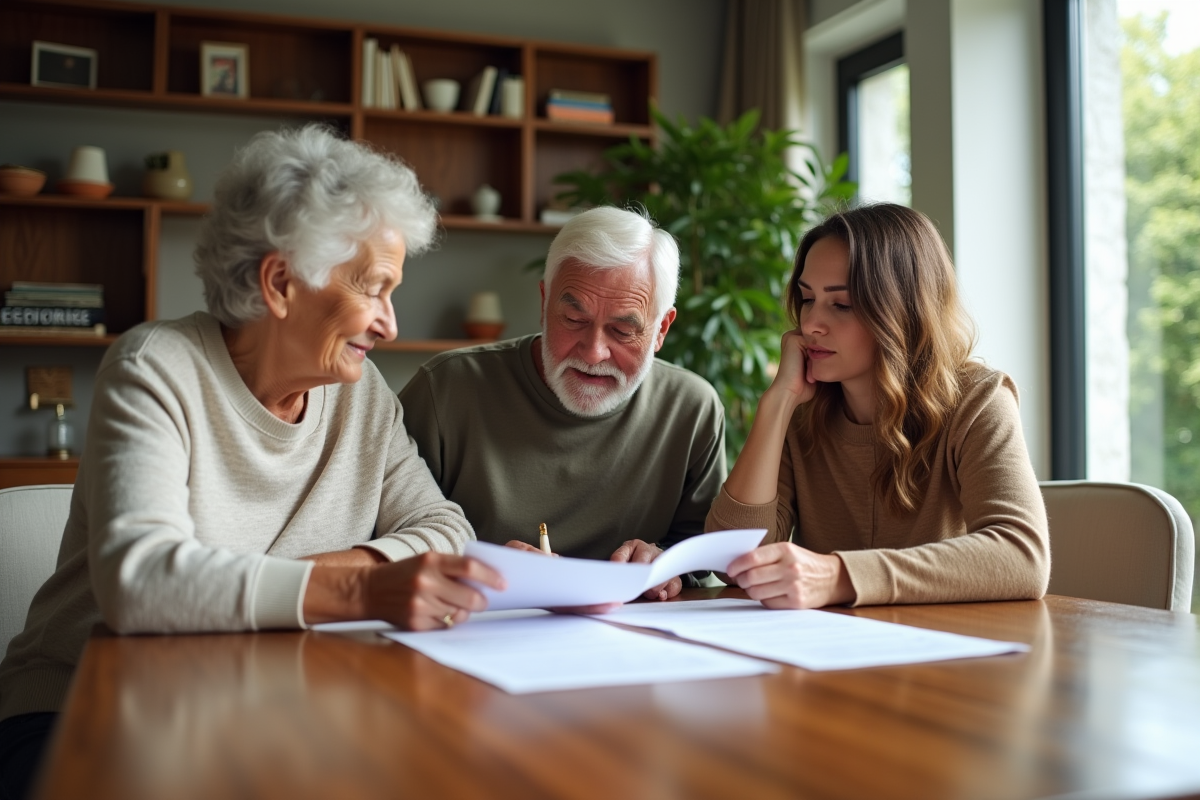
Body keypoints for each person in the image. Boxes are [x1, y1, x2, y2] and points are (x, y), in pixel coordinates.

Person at [0, 125, 503, 800]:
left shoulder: (362, 399)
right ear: (279, 283)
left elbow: (445, 529)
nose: (390, 324)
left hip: (258, 704)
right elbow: (141, 581)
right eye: (375, 288)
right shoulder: (157, 368)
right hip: (77, 711)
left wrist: (262, 583)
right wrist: (362, 589)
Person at [708, 203, 1049, 609]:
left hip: (951, 652)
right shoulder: (803, 408)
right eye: (807, 298)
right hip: (829, 652)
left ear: (901, 311)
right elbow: (731, 561)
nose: (811, 323)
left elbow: (1022, 556)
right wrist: (777, 404)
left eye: (841, 304)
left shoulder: (979, 401)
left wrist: (839, 577)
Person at [399, 206, 727, 602]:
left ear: (661, 329)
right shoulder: (447, 390)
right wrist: (477, 569)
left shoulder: (691, 409)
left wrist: (665, 565)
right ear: (544, 302)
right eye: (573, 319)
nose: (593, 352)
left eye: (623, 330)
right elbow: (389, 540)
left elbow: (701, 559)